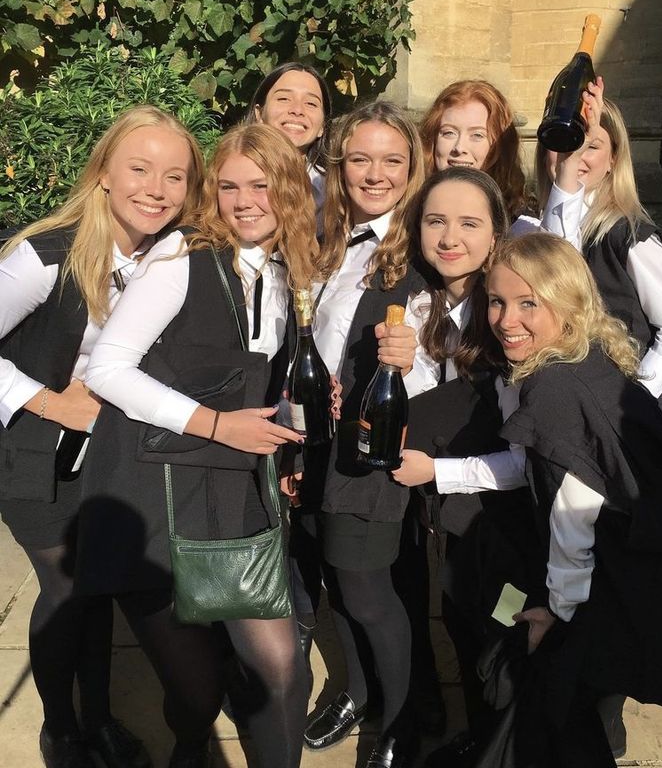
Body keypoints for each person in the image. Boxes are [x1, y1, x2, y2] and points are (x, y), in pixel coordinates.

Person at [78, 124, 318, 768]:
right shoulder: (182, 257)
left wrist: (296, 427)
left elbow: (270, 378)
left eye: (261, 185)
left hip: (234, 491)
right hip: (155, 495)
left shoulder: (290, 267)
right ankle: (190, 747)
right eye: (230, 185)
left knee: (280, 665)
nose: (244, 200)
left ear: (290, 190)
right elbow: (108, 369)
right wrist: (217, 423)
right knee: (197, 691)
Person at [476, 232, 662, 768]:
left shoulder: (553, 389)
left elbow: (574, 514)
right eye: (497, 301)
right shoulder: (593, 359)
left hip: (601, 586)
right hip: (633, 567)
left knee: (553, 706)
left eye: (529, 304)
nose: (506, 320)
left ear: (568, 304)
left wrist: (557, 612)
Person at [0, 105, 204, 768]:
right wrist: (48, 401)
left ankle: (99, 720)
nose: (156, 187)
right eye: (139, 169)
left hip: (107, 458)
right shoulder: (46, 255)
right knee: (67, 590)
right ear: (104, 176)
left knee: (97, 589)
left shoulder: (174, 257)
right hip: (32, 455)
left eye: (174, 176)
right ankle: (62, 730)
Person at [291, 101, 426, 768]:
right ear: (338, 165)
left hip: (370, 453)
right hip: (313, 441)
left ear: (413, 168)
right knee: (335, 586)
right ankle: (359, 690)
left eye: (391, 160)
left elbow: (454, 351)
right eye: (360, 159)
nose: (375, 174)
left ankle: (400, 724)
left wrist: (414, 359)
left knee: (369, 592)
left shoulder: (425, 243)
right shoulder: (327, 236)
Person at [392, 167, 540, 767]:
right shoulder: (423, 303)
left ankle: (509, 745)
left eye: (469, 222)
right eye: (436, 221)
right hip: (456, 532)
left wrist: (439, 474)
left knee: (502, 631)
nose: (450, 236)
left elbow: (532, 462)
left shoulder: (511, 319)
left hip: (509, 535)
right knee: (460, 619)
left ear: (496, 233)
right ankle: (482, 737)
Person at [535, 80, 662, 496]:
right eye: (565, 141)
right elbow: (558, 252)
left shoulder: (631, 236)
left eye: (590, 145)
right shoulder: (541, 224)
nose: (575, 155)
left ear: (614, 159)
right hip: (566, 399)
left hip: (620, 411)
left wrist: (633, 400)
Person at [419, 80, 530, 224]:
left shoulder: (521, 227)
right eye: (448, 133)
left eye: (477, 135)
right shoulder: (406, 218)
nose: (459, 148)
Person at [247, 62, 331, 219]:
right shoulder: (229, 177)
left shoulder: (334, 193)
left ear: (322, 126)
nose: (297, 110)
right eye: (284, 98)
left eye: (311, 103)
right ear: (259, 114)